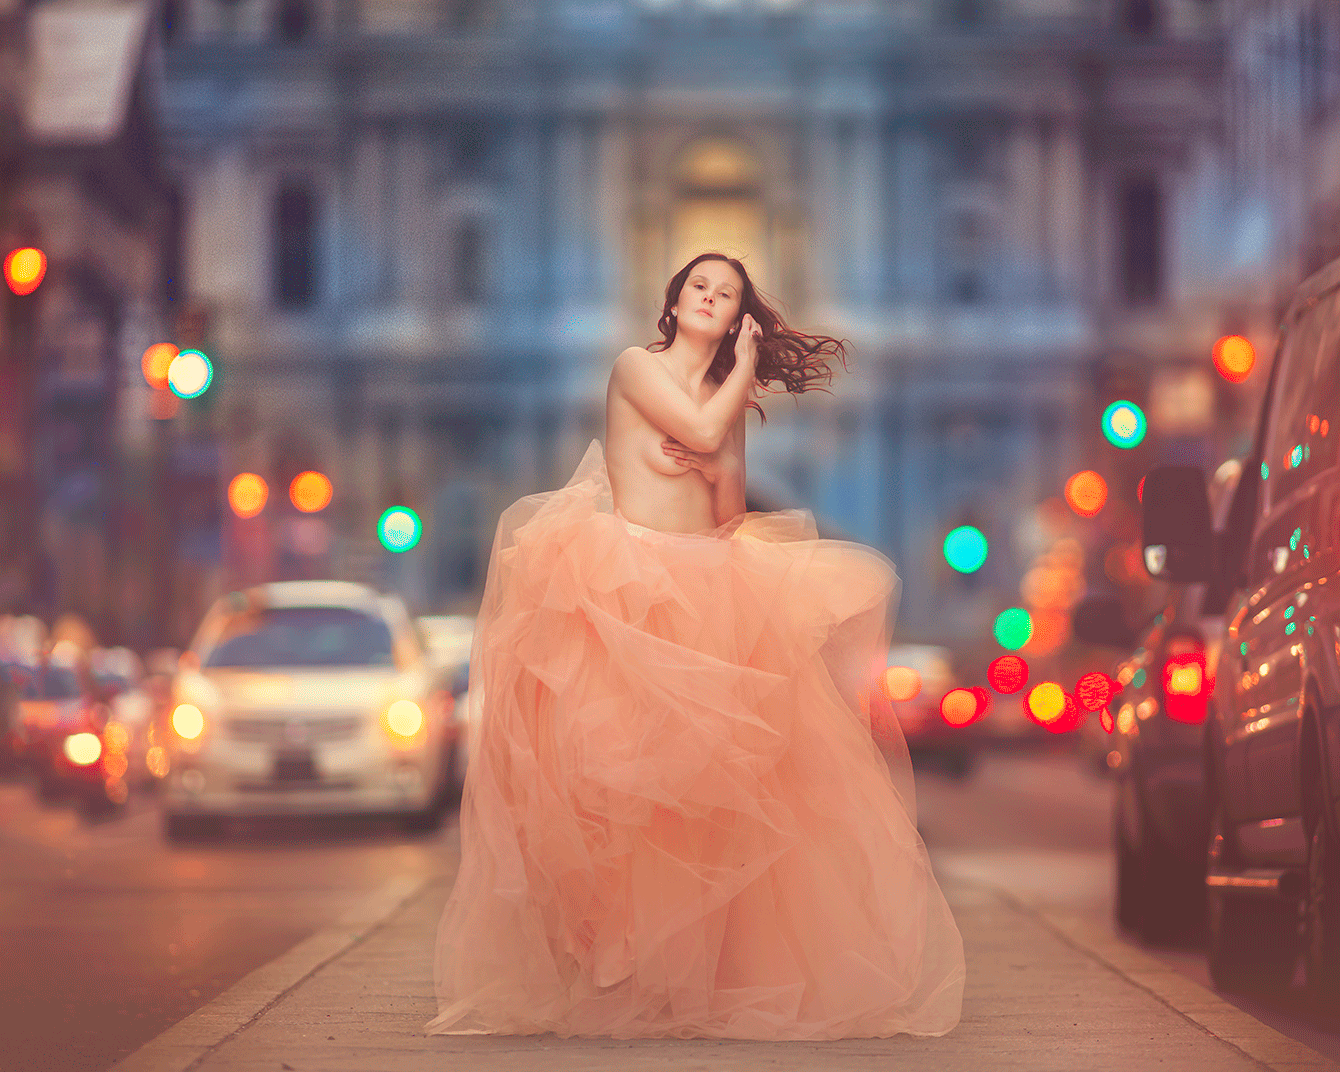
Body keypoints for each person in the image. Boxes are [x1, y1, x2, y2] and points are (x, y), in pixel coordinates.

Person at [427, 252, 965, 1041]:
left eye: (727, 293)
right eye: (699, 286)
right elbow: (706, 433)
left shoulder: (723, 401)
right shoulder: (636, 368)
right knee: (613, 776)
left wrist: (715, 454)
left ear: (738, 313)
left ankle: (682, 971)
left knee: (702, 797)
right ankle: (607, 955)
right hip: (623, 585)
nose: (709, 298)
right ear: (675, 301)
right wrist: (738, 378)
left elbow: (729, 507)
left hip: (704, 584)